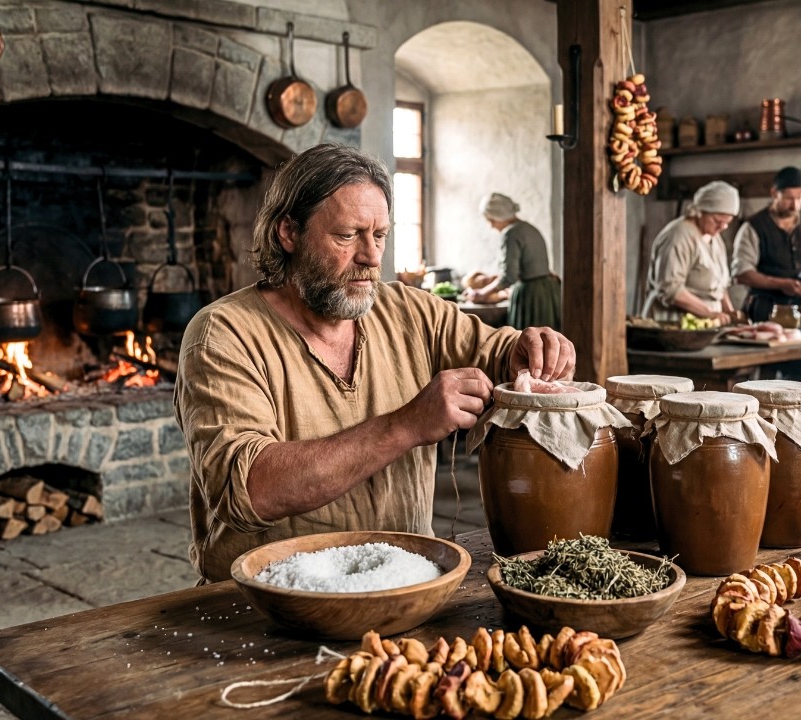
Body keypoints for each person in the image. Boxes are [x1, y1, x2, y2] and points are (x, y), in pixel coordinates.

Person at [174, 144, 576, 582]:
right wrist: (406, 425)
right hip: (266, 603)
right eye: (347, 236)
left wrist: (532, 348)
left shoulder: (409, 310)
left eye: (379, 235)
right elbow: (248, 488)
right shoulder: (224, 334)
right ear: (288, 232)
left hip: (404, 586)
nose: (371, 256)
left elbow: (500, 352)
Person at [731, 166, 801, 323]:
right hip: (764, 311)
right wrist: (781, 284)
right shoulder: (753, 227)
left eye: (800, 198)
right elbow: (743, 274)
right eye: (789, 198)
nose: (795, 205)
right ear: (774, 193)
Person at [640, 180, 740, 324]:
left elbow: (720, 287)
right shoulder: (679, 235)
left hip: (706, 324)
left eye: (727, 223)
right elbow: (670, 289)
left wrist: (730, 314)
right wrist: (710, 314)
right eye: (717, 220)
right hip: (672, 321)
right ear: (700, 211)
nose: (722, 227)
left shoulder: (715, 238)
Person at [465, 193, 562, 330]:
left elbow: (508, 277)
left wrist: (481, 294)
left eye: (491, 220)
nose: (491, 226)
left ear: (499, 216)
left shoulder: (510, 233)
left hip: (531, 294)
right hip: (547, 291)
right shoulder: (529, 228)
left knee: (528, 341)